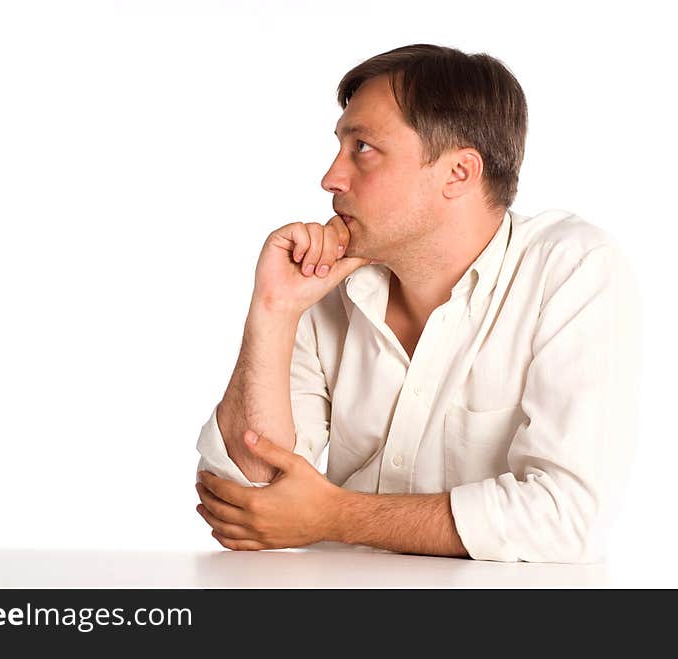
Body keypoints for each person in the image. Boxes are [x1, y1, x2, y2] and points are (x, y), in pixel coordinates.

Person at [193, 43, 640, 563]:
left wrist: (333, 515)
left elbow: (564, 519)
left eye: (362, 147)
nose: (330, 178)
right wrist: (273, 310)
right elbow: (246, 501)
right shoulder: (322, 285)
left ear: (458, 173)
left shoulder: (570, 269)